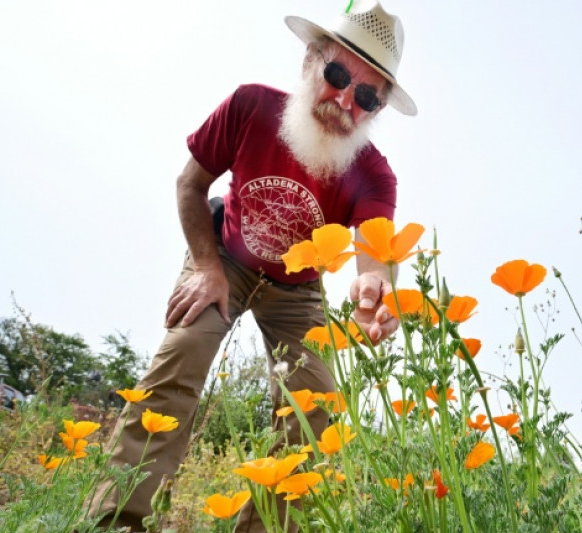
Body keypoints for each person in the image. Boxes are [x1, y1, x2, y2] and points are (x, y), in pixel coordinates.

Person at [91, 1, 416, 531]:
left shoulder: (375, 175)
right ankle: (113, 521)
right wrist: (206, 268)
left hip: (299, 290)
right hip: (223, 255)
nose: (344, 101)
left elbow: (374, 255)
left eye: (365, 97)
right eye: (338, 76)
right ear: (311, 60)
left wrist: (374, 291)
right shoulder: (251, 106)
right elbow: (190, 184)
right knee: (184, 352)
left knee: (314, 406)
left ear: (376, 110)